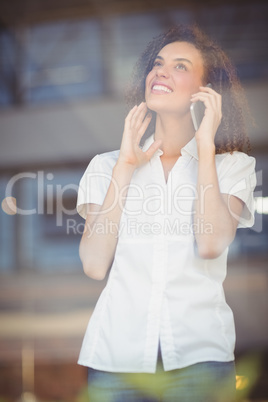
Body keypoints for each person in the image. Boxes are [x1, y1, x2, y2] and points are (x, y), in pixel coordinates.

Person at [76, 24, 256, 402]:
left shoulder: (231, 166)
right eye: (157, 64)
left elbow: (210, 244)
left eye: (180, 66)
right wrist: (125, 167)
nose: (160, 71)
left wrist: (206, 147)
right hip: (115, 360)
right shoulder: (106, 165)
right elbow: (94, 264)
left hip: (200, 359)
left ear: (207, 92)